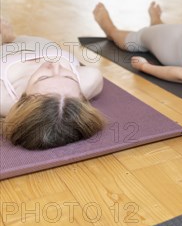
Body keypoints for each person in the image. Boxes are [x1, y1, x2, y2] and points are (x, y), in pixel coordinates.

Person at [1, 18, 105, 150]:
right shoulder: (88, 80)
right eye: (68, 76)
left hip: (7, 49)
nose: (55, 64)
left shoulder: (5, 98)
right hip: (41, 44)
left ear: (23, 100)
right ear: (81, 96)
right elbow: (94, 76)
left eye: (43, 77)